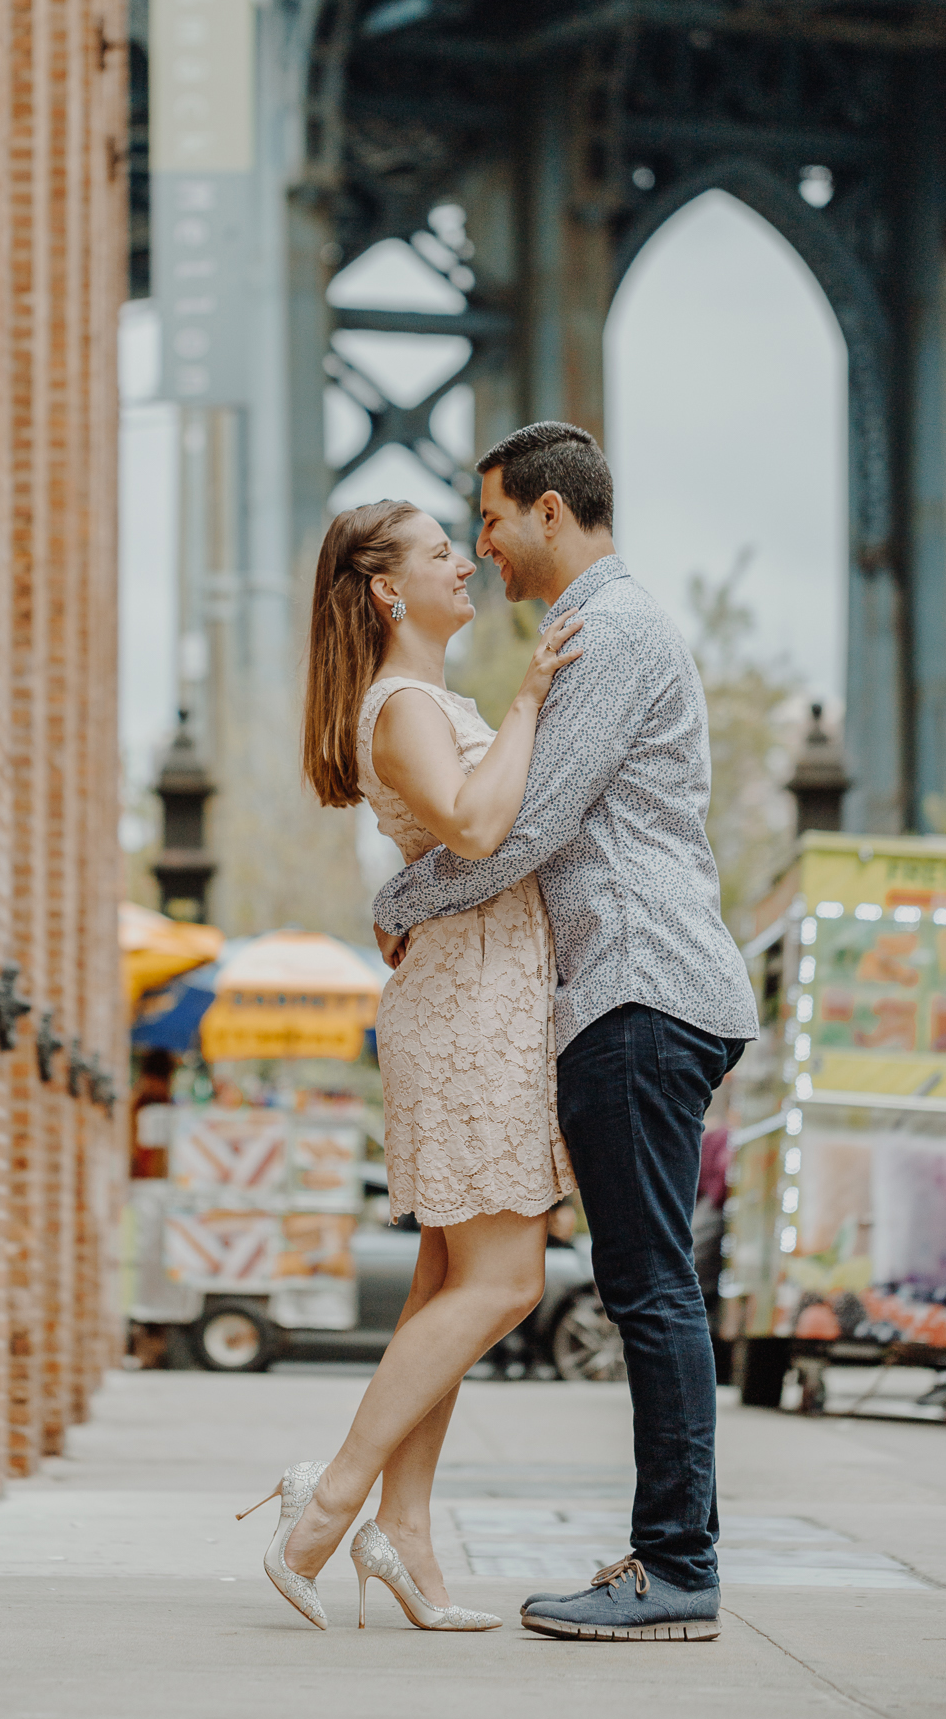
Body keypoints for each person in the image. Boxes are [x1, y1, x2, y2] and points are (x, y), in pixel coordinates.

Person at [373, 420, 758, 1642]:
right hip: (623, 994)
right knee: (648, 1283)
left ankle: (675, 1566)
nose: (480, 544)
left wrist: (398, 900)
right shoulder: (588, 630)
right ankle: (668, 1555)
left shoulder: (613, 628)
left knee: (649, 1288)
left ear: (548, 511)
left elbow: (522, 828)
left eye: (488, 518)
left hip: (638, 990)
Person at [238, 495, 584, 1632]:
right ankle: (328, 1504)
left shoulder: (418, 700)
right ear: (388, 589)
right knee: (506, 1279)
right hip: (467, 1007)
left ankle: (409, 1531)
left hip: (481, 995)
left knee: (447, 1281)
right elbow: (480, 829)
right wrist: (535, 695)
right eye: (443, 552)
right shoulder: (402, 706)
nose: (464, 564)